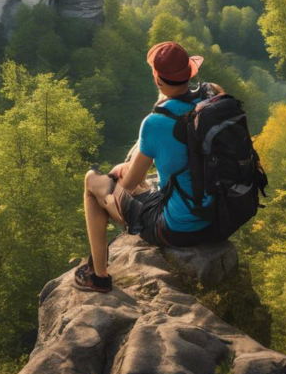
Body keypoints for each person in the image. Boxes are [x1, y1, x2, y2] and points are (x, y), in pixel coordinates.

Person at [75, 41, 220, 293]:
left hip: (179, 227)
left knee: (91, 181)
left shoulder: (157, 122)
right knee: (124, 171)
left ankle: (98, 277)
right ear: (190, 73)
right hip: (217, 218)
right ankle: (98, 271)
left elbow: (130, 185)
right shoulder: (213, 97)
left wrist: (111, 201)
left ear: (157, 79)